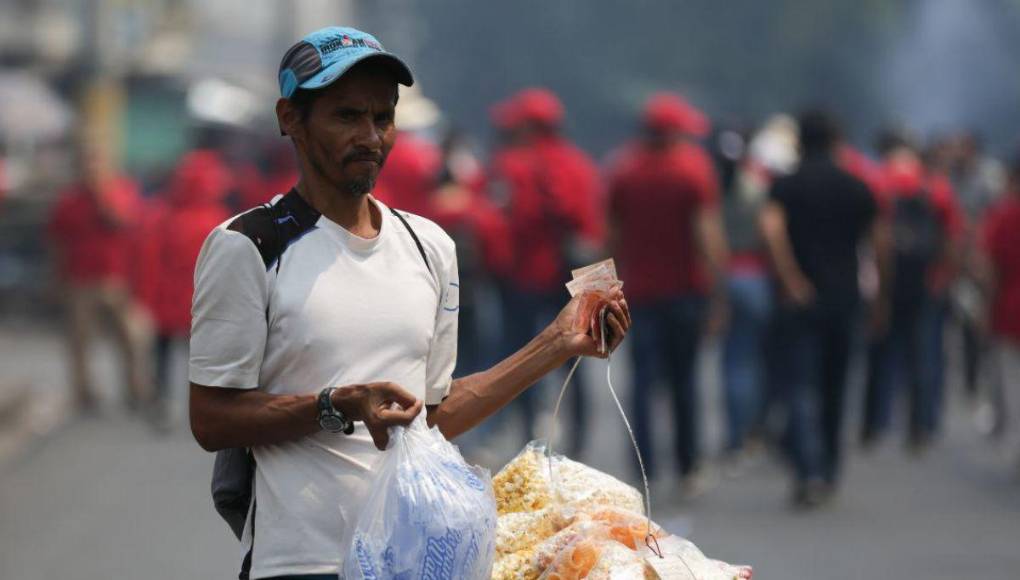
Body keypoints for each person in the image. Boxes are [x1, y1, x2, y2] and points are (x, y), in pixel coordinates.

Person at [187, 27, 630, 580]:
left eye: (382, 117)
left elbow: (435, 416)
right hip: (301, 560)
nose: (370, 136)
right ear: (291, 119)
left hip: (415, 558)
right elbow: (210, 419)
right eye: (346, 116)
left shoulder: (428, 246)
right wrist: (337, 405)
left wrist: (558, 343)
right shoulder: (247, 246)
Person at [760, 110, 888, 508]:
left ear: (798, 142)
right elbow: (881, 242)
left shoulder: (785, 187)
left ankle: (807, 469)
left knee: (800, 386)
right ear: (837, 142)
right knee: (835, 386)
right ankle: (829, 470)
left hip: (801, 301)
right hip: (844, 298)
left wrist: (791, 278)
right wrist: (881, 297)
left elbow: (771, 230)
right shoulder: (857, 186)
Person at [605, 93, 727, 495]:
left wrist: (604, 291)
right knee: (684, 381)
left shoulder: (624, 170)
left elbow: (612, 237)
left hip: (639, 292)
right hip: (685, 292)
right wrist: (718, 292)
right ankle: (687, 464)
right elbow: (706, 235)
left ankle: (645, 465)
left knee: (641, 382)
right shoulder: (692, 169)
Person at [490, 87, 605, 456]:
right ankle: (579, 447)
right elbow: (593, 227)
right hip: (577, 276)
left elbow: (500, 223)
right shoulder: (581, 164)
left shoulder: (511, 164)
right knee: (578, 365)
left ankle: (529, 444)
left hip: (524, 277)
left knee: (523, 364)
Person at [861, 145, 963, 451]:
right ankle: (921, 426)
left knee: (880, 355)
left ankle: (874, 424)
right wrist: (943, 276)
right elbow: (952, 238)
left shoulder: (879, 184)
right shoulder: (937, 191)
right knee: (923, 356)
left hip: (888, 284)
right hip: (925, 285)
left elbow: (873, 237)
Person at [48, 141, 152, 412]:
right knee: (80, 340)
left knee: (131, 337)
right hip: (80, 279)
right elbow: (57, 240)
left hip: (116, 279)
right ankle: (85, 393)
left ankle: (135, 389)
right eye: (86, 162)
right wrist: (56, 278)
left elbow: (127, 224)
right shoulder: (69, 200)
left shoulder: (121, 191)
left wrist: (101, 196)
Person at [135, 150, 231, 429]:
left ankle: (163, 401)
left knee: (164, 353)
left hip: (171, 298)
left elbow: (149, 260)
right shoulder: (219, 218)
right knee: (203, 359)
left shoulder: (164, 215)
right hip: (202, 301)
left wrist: (147, 296)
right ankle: (208, 407)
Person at [977, 153, 1020, 473]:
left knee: (1011, 383)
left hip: (1009, 311)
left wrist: (984, 308)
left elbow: (987, 268)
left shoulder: (1003, 215)